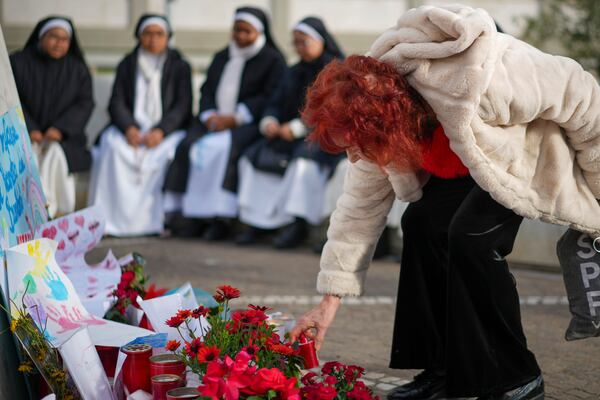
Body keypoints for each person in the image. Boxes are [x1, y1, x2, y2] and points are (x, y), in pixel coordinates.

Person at [291, 4, 600, 400]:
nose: (358, 155)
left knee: (471, 237)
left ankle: (516, 377)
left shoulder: (476, 78)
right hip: (464, 167)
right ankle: (444, 370)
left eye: (360, 146)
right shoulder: (372, 126)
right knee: (421, 223)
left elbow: (578, 90)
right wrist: (328, 303)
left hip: (520, 158)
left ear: (386, 123)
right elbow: (357, 211)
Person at [163, 6, 286, 240]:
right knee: (189, 146)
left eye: (246, 31)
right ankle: (193, 215)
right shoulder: (222, 56)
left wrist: (236, 117)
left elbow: (270, 96)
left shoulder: (272, 60)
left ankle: (219, 218)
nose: (240, 36)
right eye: (236, 30)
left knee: (219, 150)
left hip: (246, 123)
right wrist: (209, 114)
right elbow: (207, 89)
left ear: (259, 33)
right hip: (214, 120)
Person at [235, 17, 344, 248]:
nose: (299, 48)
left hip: (322, 137)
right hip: (287, 136)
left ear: (320, 41)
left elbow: (333, 112)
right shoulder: (293, 71)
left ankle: (298, 224)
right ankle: (258, 222)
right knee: (251, 158)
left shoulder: (337, 71)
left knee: (303, 163)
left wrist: (296, 128)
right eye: (296, 43)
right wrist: (270, 121)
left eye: (304, 42)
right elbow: (275, 100)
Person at [88, 14, 192, 236]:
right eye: (148, 34)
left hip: (165, 131)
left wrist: (161, 131)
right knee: (113, 148)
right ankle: (109, 222)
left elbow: (183, 105)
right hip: (131, 130)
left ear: (167, 38)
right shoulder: (127, 64)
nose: (153, 39)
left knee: (169, 152)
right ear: (139, 36)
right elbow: (116, 101)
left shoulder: (179, 66)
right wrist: (129, 128)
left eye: (159, 34)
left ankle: (159, 222)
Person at [10, 16, 94, 218]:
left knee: (55, 155)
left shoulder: (77, 69)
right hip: (22, 132)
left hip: (65, 138)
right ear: (41, 37)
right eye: (53, 37)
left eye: (64, 39)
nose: (59, 43)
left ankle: (53, 213)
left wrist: (60, 129)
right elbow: (9, 98)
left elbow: (84, 103)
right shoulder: (18, 62)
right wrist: (28, 128)